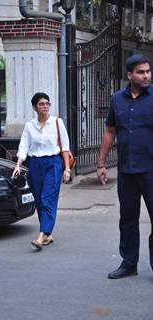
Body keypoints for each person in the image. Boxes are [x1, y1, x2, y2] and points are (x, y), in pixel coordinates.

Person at [97, 54, 153, 279]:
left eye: (148, 71)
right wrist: (100, 163)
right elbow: (110, 131)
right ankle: (129, 263)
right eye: (141, 72)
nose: (146, 75)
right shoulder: (117, 99)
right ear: (129, 75)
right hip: (127, 170)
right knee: (128, 219)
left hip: (151, 169)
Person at [12, 92, 71, 250]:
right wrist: (18, 164)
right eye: (41, 104)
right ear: (34, 107)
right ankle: (48, 234)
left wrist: (67, 169)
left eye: (47, 103)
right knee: (38, 199)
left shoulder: (57, 123)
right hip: (35, 164)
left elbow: (65, 147)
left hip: (53, 163)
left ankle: (42, 235)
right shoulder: (29, 126)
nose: (45, 106)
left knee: (47, 198)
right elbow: (24, 146)